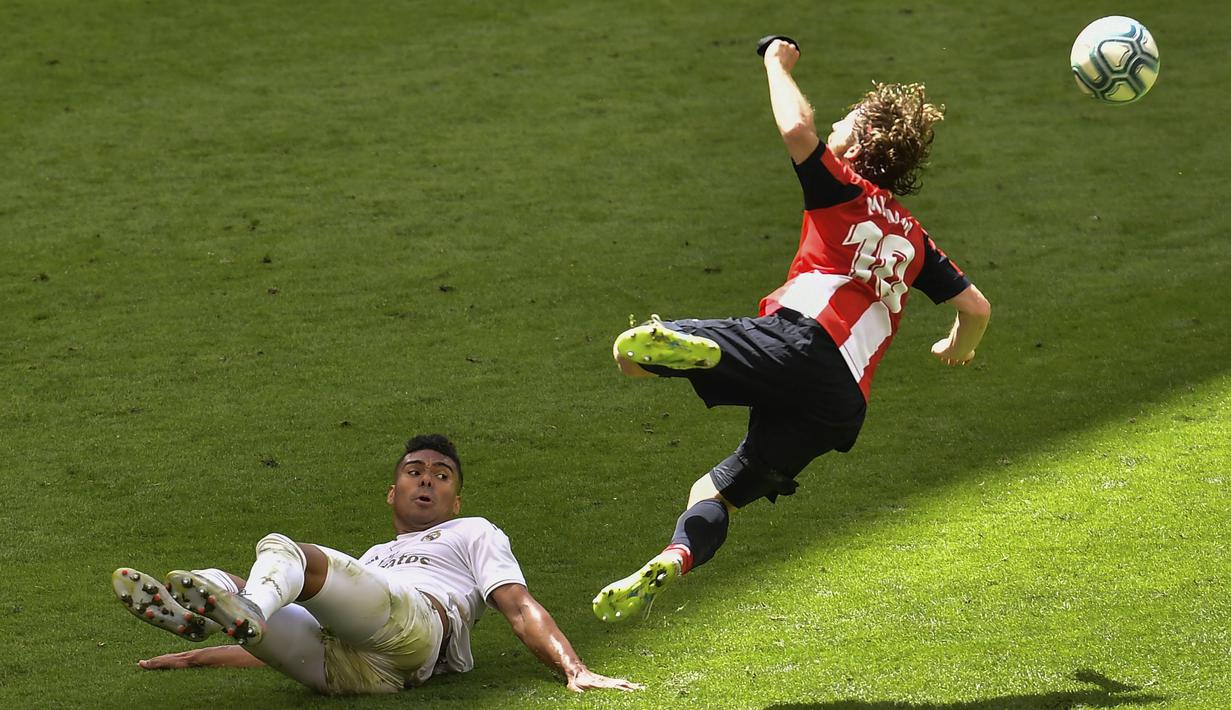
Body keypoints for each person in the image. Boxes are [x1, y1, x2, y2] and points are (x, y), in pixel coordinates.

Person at [592, 38, 991, 622]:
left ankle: (706, 354)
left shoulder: (844, 189)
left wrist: (777, 62)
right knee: (714, 493)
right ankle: (675, 556)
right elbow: (976, 308)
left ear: (856, 145)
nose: (832, 125)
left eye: (844, 123)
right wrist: (959, 346)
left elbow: (796, 129)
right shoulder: (915, 238)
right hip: (839, 404)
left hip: (801, 341)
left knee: (630, 358)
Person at [113, 433, 641, 695]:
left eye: (442, 474)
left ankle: (220, 603)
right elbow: (281, 636)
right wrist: (196, 660)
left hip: (415, 632)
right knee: (234, 583)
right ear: (393, 493)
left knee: (287, 554)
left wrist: (575, 670)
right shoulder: (374, 559)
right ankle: (196, 616)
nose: (428, 479)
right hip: (353, 672)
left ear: (457, 500)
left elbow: (518, 605)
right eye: (415, 471)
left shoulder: (474, 530)